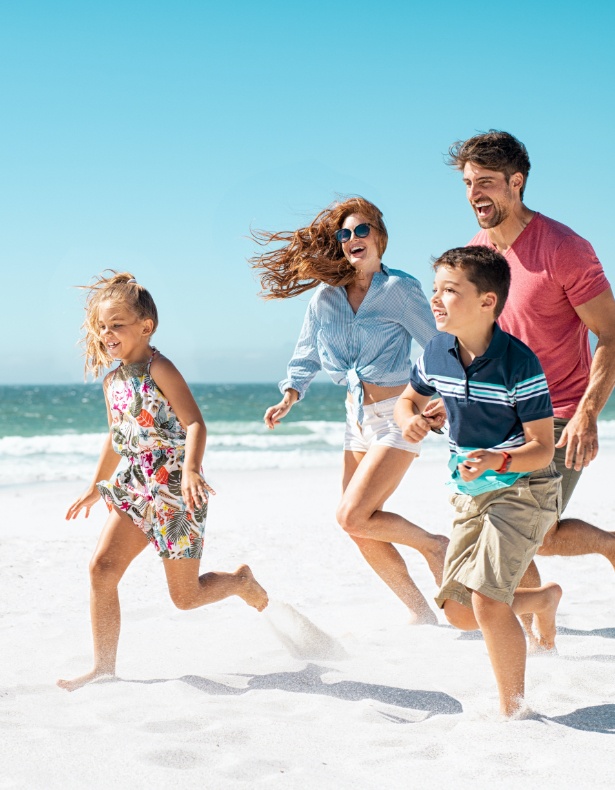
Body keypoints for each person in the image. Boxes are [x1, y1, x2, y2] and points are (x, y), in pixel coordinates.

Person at [58, 272, 268, 692]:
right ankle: (103, 668)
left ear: (145, 326)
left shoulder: (160, 367)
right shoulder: (112, 381)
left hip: (175, 488)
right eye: (102, 326)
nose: (107, 333)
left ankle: (240, 582)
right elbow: (118, 438)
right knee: (102, 569)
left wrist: (191, 468)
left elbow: (194, 423)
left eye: (116, 324)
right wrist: (94, 484)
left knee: (185, 598)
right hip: (135, 484)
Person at [250, 197, 448, 624]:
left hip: (399, 413)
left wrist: (445, 395)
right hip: (355, 419)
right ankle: (419, 612)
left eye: (362, 231)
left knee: (353, 513)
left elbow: (439, 344)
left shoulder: (400, 290)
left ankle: (435, 546)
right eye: (345, 234)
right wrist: (290, 395)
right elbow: (305, 354)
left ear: (379, 237)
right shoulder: (325, 298)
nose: (353, 239)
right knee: (357, 525)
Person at [447, 130, 615, 620]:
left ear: (516, 183)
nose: (475, 193)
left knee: (528, 532)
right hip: (496, 420)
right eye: (467, 182)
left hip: (558, 415)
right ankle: (543, 617)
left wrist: (588, 414)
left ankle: (600, 551)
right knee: (525, 535)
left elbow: (610, 333)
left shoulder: (565, 248)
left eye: (487, 182)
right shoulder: (475, 255)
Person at [395, 246, 562, 717]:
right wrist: (410, 419)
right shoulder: (436, 351)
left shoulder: (519, 364)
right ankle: (542, 600)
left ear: (488, 302)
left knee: (488, 601)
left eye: (451, 290)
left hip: (524, 486)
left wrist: (497, 459)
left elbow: (543, 447)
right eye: (435, 290)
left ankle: (515, 711)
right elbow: (409, 400)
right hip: (471, 491)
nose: (436, 300)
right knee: (458, 610)